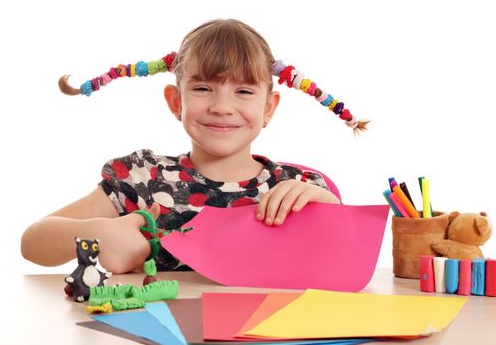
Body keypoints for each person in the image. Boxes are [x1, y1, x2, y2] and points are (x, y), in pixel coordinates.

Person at [21, 19, 367, 274]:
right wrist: (98, 233)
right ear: (176, 102)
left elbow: (350, 271)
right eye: (203, 89)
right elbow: (32, 242)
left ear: (268, 108)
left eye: (243, 91)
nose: (222, 106)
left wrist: (329, 210)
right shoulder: (143, 179)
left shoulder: (299, 190)